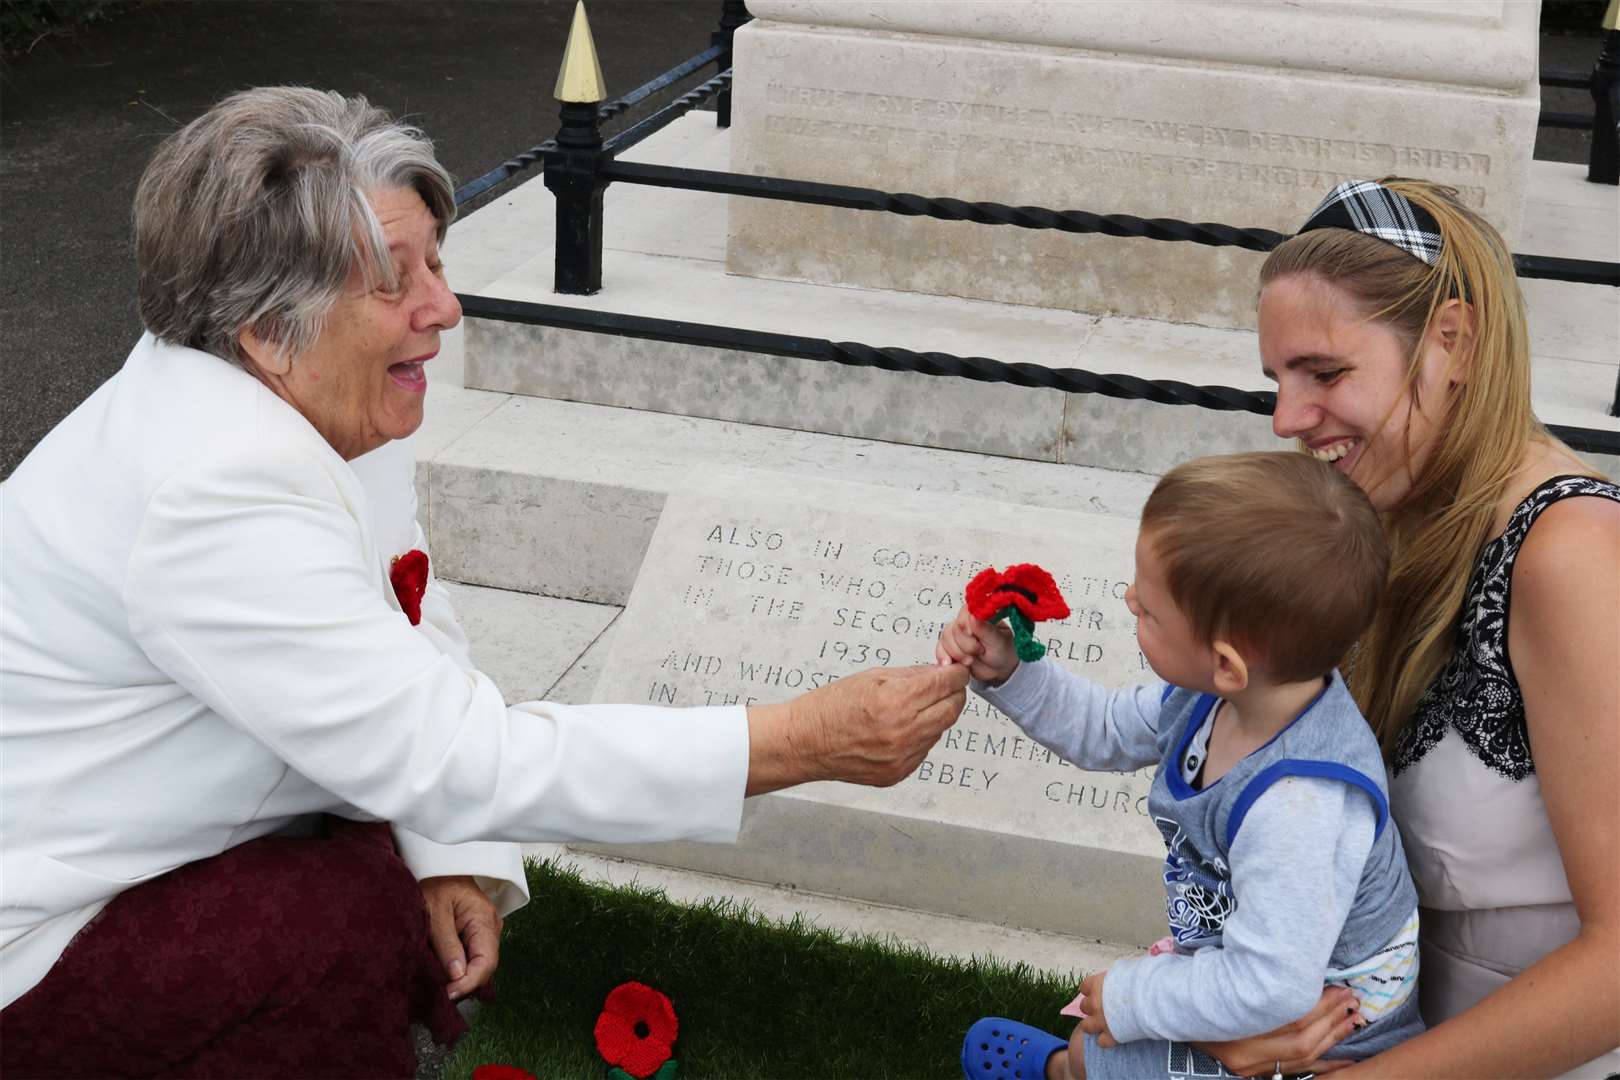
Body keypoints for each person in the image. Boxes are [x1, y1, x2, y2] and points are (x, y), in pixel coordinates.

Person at [0, 86, 969, 1078]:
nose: (445, 307)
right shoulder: (215, 489)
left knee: (372, 873)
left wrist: (451, 851)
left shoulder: (302, 388)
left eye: (436, 261)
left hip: (163, 833)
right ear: (266, 330)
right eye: (393, 281)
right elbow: (454, 749)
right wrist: (800, 740)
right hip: (45, 931)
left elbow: (404, 612)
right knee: (335, 922)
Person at [1197, 178, 1620, 1078]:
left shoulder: (1572, 553)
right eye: (1276, 379)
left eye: (1326, 373)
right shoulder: (1379, 524)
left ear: (1452, 342)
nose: (1285, 419)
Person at [942, 451, 1424, 1080]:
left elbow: (1266, 986)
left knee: (1107, 1053)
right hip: (1259, 970)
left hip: (1325, 1035)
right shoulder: (1215, 698)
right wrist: (1011, 673)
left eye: (1148, 610)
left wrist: (1133, 995)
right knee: (1108, 1047)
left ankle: (1062, 1072)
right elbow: (1105, 729)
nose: (1127, 599)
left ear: (1227, 662)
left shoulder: (1299, 803)